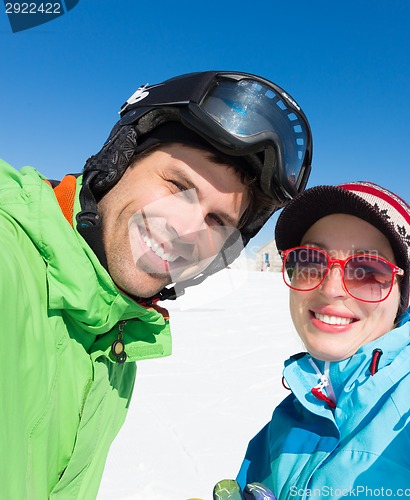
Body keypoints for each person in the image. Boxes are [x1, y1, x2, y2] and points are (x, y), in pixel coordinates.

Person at [0, 71, 313, 498]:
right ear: (118, 162)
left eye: (217, 220)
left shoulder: (118, 337)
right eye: (178, 185)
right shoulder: (13, 261)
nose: (186, 228)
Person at [235, 182, 410, 496]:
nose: (331, 289)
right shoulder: (292, 414)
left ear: (402, 293)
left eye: (368, 270)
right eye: (310, 260)